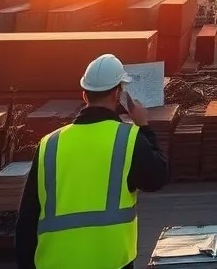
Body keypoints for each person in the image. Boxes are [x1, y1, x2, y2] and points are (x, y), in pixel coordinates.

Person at [15, 53, 169, 269]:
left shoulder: (49, 144)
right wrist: (144, 126)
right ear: (118, 94)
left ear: (84, 96)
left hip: (54, 263)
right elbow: (157, 178)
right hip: (111, 262)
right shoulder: (128, 140)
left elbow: (26, 221)